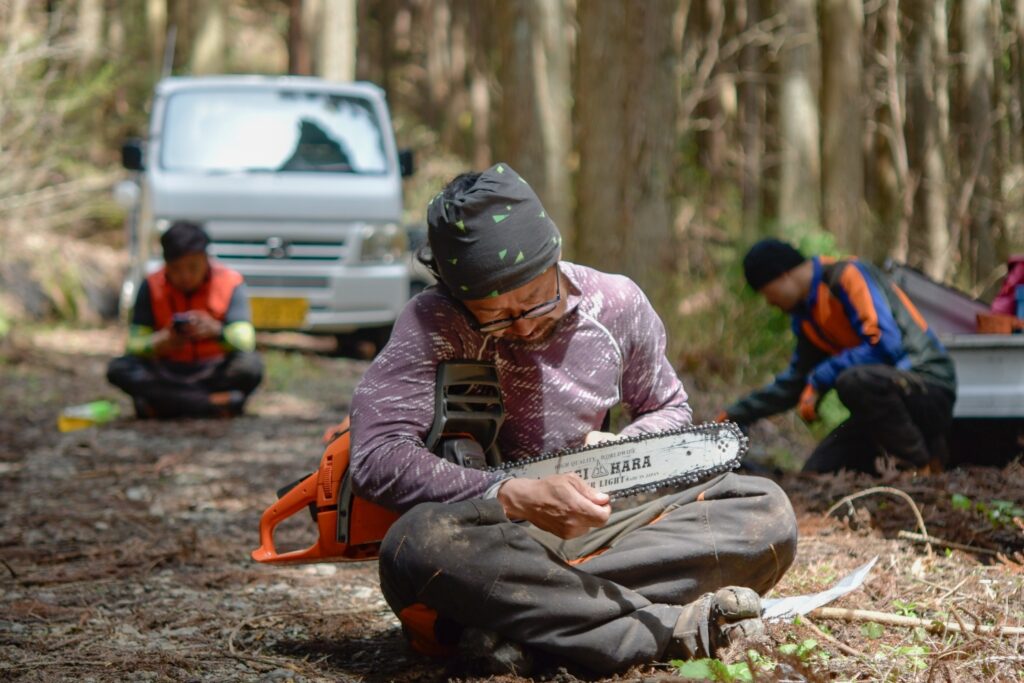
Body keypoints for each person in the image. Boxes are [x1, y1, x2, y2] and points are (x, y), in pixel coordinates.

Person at [348, 164, 797, 674]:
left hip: (603, 524)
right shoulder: (432, 322)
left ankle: (524, 623)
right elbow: (376, 456)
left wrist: (621, 450)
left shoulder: (617, 303)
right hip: (494, 537)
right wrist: (508, 495)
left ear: (554, 256)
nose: (521, 324)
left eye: (535, 300)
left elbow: (669, 407)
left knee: (764, 510)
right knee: (416, 543)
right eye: (494, 315)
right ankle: (668, 630)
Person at [719, 238, 957, 475]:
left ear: (782, 276)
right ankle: (919, 454)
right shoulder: (807, 316)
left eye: (766, 293)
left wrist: (821, 378)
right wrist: (736, 413)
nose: (770, 302)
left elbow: (884, 343)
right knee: (816, 472)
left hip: (928, 385)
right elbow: (795, 383)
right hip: (885, 402)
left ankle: (918, 466)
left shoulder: (847, 276)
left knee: (852, 381)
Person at [107, 221, 263, 418]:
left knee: (250, 365)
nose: (185, 276)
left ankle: (163, 406)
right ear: (165, 263)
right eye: (176, 268)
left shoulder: (230, 282)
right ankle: (215, 403)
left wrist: (216, 330)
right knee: (120, 368)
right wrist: (162, 341)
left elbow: (246, 340)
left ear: (206, 259)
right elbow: (134, 344)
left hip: (213, 370)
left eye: (193, 267)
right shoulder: (151, 285)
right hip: (168, 371)